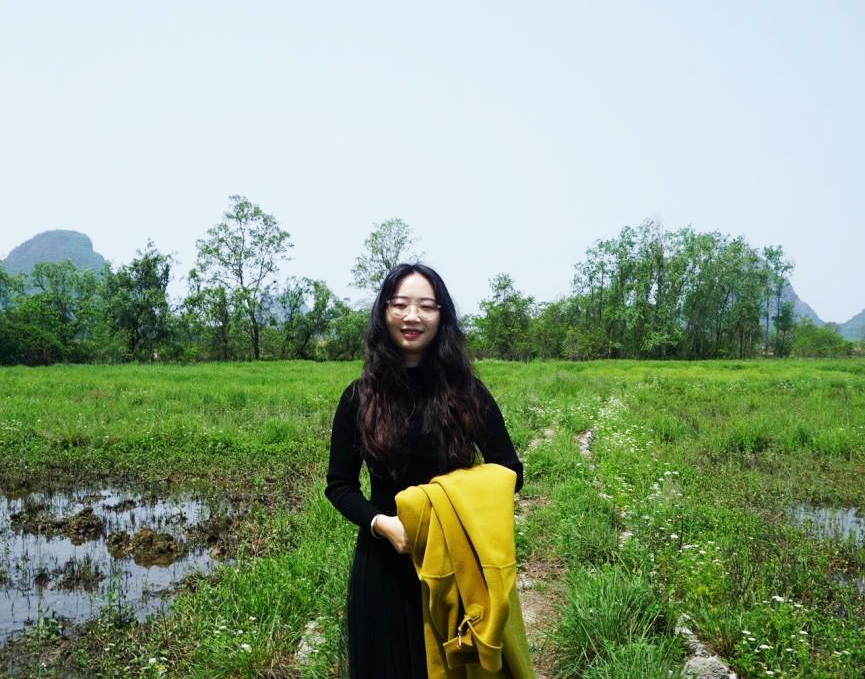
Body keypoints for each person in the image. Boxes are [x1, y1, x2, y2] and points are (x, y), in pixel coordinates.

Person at [325, 263, 524, 679]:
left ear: (441, 316)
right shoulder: (360, 397)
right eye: (400, 304)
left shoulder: (467, 393)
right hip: (383, 564)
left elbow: (509, 470)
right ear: (384, 312)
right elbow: (340, 486)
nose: (412, 316)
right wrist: (384, 525)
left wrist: (446, 508)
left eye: (426, 306)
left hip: (455, 561)